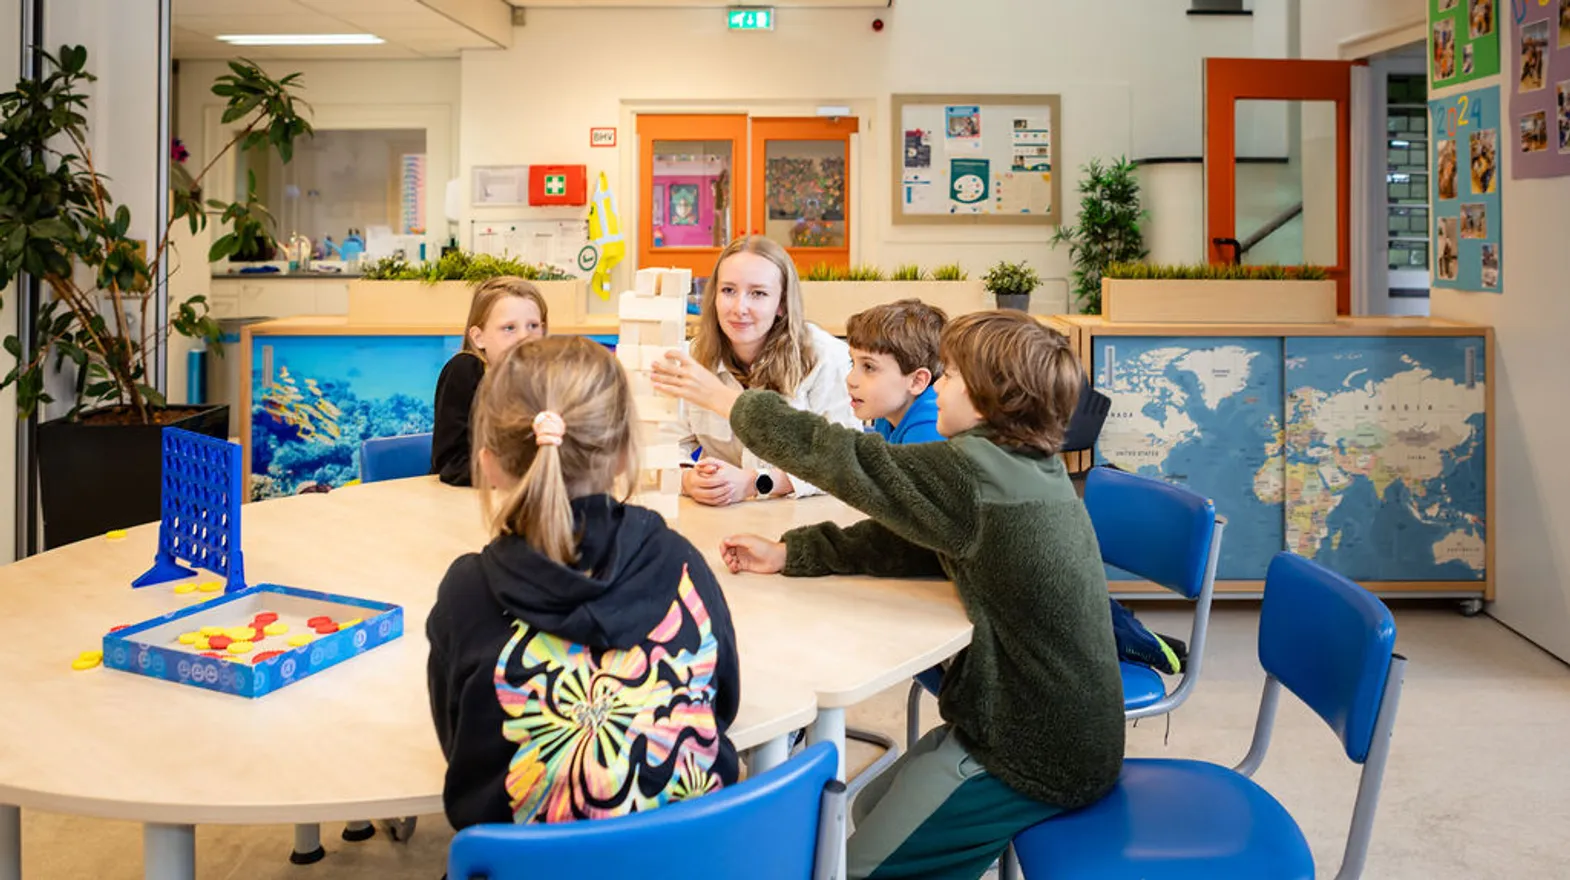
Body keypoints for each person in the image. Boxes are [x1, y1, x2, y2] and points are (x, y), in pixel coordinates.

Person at [660, 311, 1123, 879]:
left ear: (987, 404)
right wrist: (792, 553)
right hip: (1038, 726)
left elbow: (845, 458)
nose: (939, 388)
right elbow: (914, 540)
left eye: (949, 377)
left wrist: (730, 402)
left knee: (849, 868)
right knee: (867, 804)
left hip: (1033, 753)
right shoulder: (1021, 464)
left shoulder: (972, 474)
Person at [425, 336, 740, 831]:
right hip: (696, 856)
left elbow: (460, 746)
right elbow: (722, 704)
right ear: (623, 455)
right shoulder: (682, 564)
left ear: (487, 464)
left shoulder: (468, 593)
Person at [663, 236, 858, 506]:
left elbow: (844, 462)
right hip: (719, 519)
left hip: (803, 518)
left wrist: (756, 482)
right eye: (728, 290)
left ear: (781, 304)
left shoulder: (824, 357)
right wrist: (687, 480)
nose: (739, 308)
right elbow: (662, 446)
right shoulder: (691, 358)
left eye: (758, 293)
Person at [431, 277, 548, 486]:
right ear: (478, 337)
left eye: (533, 326)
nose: (524, 336)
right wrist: (521, 477)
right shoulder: (465, 371)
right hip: (461, 502)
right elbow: (452, 464)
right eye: (509, 328)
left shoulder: (543, 379)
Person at [844, 299, 945, 445]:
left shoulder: (930, 429)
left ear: (917, 381)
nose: (850, 380)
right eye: (852, 363)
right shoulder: (887, 415)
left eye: (869, 367)